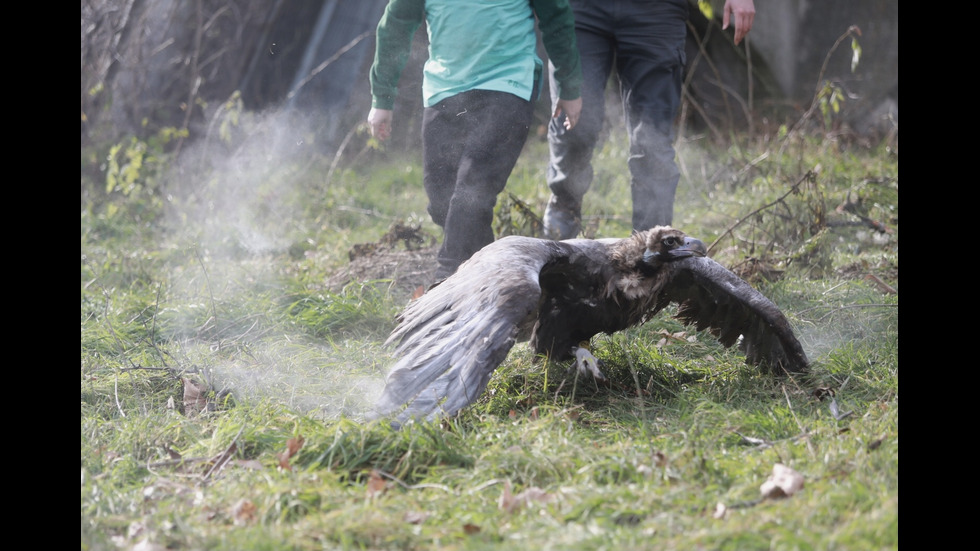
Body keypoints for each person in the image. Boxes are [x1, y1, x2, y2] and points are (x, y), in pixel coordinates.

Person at [367, 0, 583, 280]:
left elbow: (557, 17)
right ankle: (493, 278)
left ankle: (445, 278)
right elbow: (395, 25)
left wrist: (569, 85)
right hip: (444, 88)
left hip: (507, 83)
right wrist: (382, 98)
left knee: (474, 189)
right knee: (440, 197)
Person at [542, 0, 756, 240]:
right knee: (574, 124)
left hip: (657, 12)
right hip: (581, 10)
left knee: (651, 142)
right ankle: (565, 203)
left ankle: (649, 250)